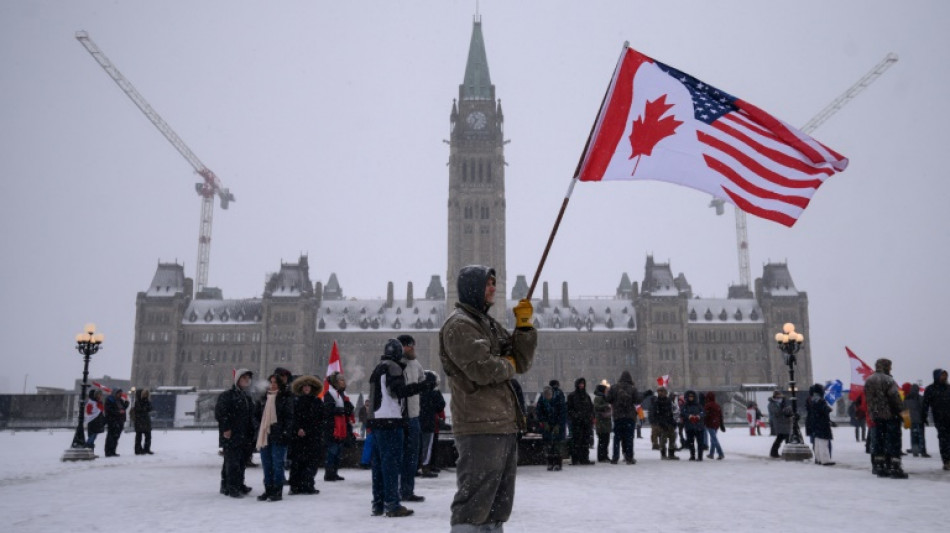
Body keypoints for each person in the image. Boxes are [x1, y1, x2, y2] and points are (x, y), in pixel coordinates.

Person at [439, 265, 536, 532]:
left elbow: (522, 360)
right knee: (474, 504)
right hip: (479, 424)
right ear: (473, 288)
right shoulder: (459, 325)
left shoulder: (488, 324)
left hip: (502, 424)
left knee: (498, 504)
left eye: (494, 282)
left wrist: (524, 328)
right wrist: (508, 364)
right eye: (488, 283)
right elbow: (483, 369)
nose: (494, 287)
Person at [367, 338, 435, 518]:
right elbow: (399, 391)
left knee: (379, 465)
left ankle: (378, 503)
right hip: (391, 420)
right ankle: (392, 504)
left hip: (377, 421)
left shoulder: (378, 367)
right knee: (391, 464)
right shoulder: (393, 367)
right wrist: (423, 386)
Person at [215, 368, 255, 498]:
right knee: (232, 461)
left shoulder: (246, 396)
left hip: (244, 434)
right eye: (244, 378)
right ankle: (232, 487)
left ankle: (236, 484)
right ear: (237, 380)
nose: (246, 381)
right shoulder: (227, 395)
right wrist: (226, 428)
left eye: (248, 379)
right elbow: (221, 413)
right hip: (232, 434)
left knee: (241, 461)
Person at [864, 358, 908, 478]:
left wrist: (873, 413)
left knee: (879, 441)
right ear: (886, 367)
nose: (891, 368)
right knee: (893, 441)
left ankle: (879, 465)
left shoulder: (869, 380)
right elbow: (895, 398)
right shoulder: (888, 380)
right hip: (890, 415)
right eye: (890, 366)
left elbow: (868, 400)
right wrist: (903, 412)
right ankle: (895, 467)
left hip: (876, 416)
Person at [256, 373, 295, 500]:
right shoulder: (264, 398)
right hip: (265, 435)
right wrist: (259, 428)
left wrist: (285, 433)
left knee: (277, 465)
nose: (272, 384)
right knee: (267, 464)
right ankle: (268, 489)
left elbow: (289, 418)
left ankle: (277, 491)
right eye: (271, 382)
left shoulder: (285, 398)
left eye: (275, 382)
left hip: (279, 436)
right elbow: (256, 416)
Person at [397, 334, 426, 503]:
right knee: (398, 456)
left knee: (412, 456)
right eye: (409, 345)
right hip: (399, 416)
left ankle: (408, 490)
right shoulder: (395, 364)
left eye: (413, 344)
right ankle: (395, 491)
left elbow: (422, 379)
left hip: (414, 415)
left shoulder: (415, 363)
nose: (413, 347)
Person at [288, 375, 324, 495]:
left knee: (311, 462)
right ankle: (295, 486)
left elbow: (319, 420)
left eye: (309, 386)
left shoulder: (317, 402)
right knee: (297, 462)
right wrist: (298, 428)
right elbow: (293, 417)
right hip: (298, 437)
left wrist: (308, 430)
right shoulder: (296, 401)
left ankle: (308, 484)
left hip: (312, 436)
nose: (307, 388)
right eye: (305, 386)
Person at [323, 371, 354, 482]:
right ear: (335, 382)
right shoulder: (329, 394)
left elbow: (349, 409)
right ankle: (329, 473)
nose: (343, 382)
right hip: (333, 428)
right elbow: (328, 410)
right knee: (332, 452)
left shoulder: (341, 395)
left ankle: (334, 472)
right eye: (341, 380)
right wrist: (341, 410)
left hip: (340, 427)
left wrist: (344, 410)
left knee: (338, 452)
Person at [606, 370, 640, 464]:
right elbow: (637, 401)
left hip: (618, 416)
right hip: (629, 416)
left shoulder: (614, 387)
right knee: (629, 438)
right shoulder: (633, 388)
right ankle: (629, 457)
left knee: (617, 438)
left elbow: (608, 399)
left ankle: (615, 457)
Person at [419, 370, 446, 478]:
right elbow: (441, 405)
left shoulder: (418, 391)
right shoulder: (434, 393)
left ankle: (416, 467)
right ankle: (425, 467)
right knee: (427, 447)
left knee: (418, 446)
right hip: (429, 423)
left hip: (418, 422)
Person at [921, 368, 950, 470]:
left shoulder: (948, 388)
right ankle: (946, 461)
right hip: (940, 419)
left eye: (945, 375)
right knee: (944, 440)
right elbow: (925, 404)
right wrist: (923, 416)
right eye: (942, 375)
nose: (944, 377)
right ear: (937, 376)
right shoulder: (930, 389)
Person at [566, 377, 595, 466]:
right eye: (580, 384)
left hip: (585, 422)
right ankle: (575, 459)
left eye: (583, 384)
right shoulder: (572, 396)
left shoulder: (586, 396)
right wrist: (575, 416)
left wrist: (590, 417)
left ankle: (584, 458)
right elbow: (569, 409)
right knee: (576, 441)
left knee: (585, 441)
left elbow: (591, 408)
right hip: (576, 422)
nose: (581, 385)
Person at [805, 383, 835, 466]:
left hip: (814, 424)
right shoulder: (820, 400)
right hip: (822, 424)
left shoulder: (811, 400)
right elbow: (823, 409)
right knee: (823, 442)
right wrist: (828, 409)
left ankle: (818, 458)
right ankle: (825, 459)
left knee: (817, 442)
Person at [536, 386, 563, 471]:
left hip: (557, 425)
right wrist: (544, 422)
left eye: (549, 396)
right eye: (546, 396)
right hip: (547, 426)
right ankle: (550, 463)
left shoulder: (558, 399)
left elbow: (562, 413)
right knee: (548, 445)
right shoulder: (542, 400)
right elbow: (539, 412)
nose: (547, 398)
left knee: (557, 445)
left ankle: (558, 464)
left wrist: (558, 425)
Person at [652, 386, 679, 460]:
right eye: (659, 392)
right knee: (663, 440)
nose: (661, 393)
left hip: (669, 422)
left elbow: (671, 412)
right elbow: (656, 414)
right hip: (662, 423)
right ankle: (663, 454)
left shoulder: (668, 401)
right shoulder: (657, 402)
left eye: (662, 392)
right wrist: (661, 422)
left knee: (672, 438)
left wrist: (673, 422)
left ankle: (671, 454)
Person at [902, 383, 929, 458]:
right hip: (919, 420)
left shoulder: (906, 398)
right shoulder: (920, 398)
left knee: (913, 436)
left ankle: (915, 452)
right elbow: (923, 409)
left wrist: (906, 421)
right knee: (921, 436)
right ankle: (923, 451)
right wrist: (924, 418)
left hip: (911, 420)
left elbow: (904, 410)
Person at [104, 388, 129, 457]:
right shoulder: (110, 399)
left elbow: (123, 408)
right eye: (119, 393)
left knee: (116, 437)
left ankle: (113, 451)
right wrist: (118, 412)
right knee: (111, 437)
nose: (120, 395)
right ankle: (108, 451)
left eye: (121, 393)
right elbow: (109, 410)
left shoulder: (120, 400)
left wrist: (126, 403)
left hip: (120, 420)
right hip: (112, 420)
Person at [681, 390, 705, 461]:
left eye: (692, 396)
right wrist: (689, 416)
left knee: (700, 442)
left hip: (699, 426)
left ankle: (700, 456)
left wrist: (699, 416)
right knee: (691, 442)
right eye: (689, 396)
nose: (690, 398)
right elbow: (682, 413)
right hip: (689, 426)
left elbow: (703, 412)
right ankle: (692, 455)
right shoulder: (685, 406)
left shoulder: (698, 405)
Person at [768, 390, 792, 458]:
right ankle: (777, 452)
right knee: (782, 437)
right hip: (779, 423)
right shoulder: (772, 404)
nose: (780, 398)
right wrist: (783, 410)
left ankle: (776, 452)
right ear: (775, 397)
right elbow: (776, 413)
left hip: (784, 423)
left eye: (781, 397)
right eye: (778, 397)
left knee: (783, 438)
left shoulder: (780, 403)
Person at [593, 382, 612, 463]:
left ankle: (604, 455)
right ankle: (601, 456)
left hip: (605, 422)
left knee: (605, 440)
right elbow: (596, 407)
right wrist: (606, 406)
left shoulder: (604, 397)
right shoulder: (598, 398)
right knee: (602, 440)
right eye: (605, 390)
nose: (606, 391)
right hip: (601, 422)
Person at [703, 391, 725, 460]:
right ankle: (711, 454)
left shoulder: (707, 405)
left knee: (714, 439)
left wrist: (703, 423)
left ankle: (720, 453)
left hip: (710, 424)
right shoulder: (717, 405)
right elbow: (720, 416)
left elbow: (705, 415)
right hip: (716, 424)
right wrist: (721, 425)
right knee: (713, 439)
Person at [132, 388, 153, 455]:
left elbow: (149, 408)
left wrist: (146, 404)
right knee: (139, 436)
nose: (145, 395)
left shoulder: (147, 401)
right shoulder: (137, 402)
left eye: (146, 394)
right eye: (144, 394)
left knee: (148, 436)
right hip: (140, 421)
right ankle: (138, 450)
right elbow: (141, 410)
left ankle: (146, 449)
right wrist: (145, 407)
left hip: (146, 421)